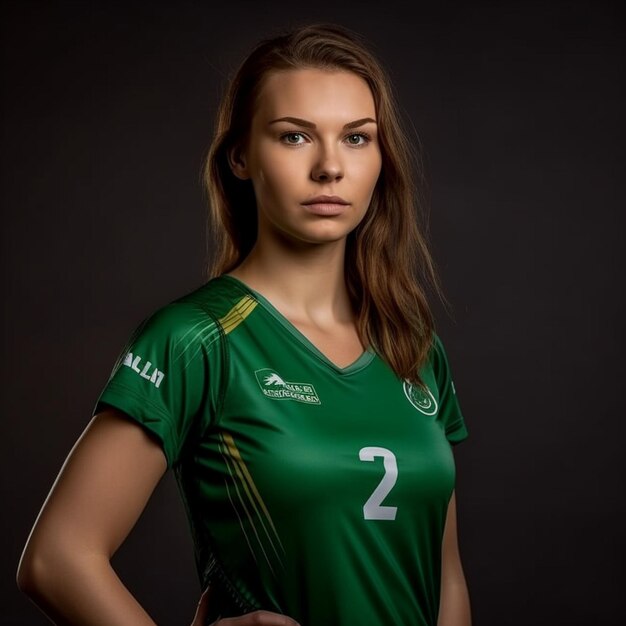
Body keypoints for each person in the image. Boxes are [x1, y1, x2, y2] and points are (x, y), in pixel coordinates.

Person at [17, 22, 472, 626]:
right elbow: (57, 558)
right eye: (294, 137)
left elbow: (446, 582)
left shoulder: (412, 342)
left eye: (357, 139)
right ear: (240, 156)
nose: (330, 167)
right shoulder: (196, 338)